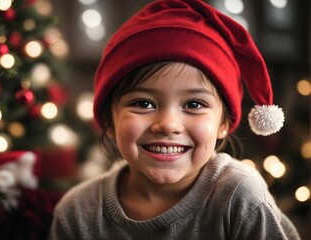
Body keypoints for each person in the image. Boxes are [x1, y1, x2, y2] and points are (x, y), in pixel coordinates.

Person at [49, 0, 300, 239]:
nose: (168, 124)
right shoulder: (77, 211)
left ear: (223, 123)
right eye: (143, 103)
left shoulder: (240, 197)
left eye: (193, 105)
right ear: (110, 120)